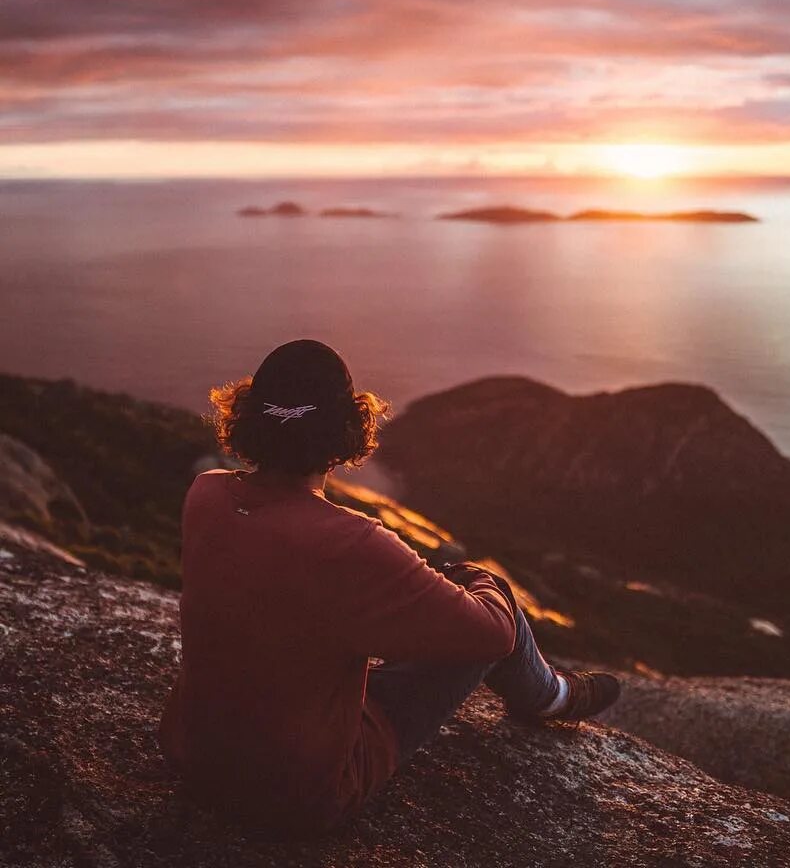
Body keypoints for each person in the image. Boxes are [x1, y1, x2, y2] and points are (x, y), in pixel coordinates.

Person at [157, 338, 620, 839]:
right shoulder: (350, 543)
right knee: (494, 601)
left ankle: (549, 689)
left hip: (195, 755)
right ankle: (552, 697)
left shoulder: (206, 495)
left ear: (246, 418)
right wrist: (475, 581)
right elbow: (492, 637)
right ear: (347, 429)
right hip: (297, 794)